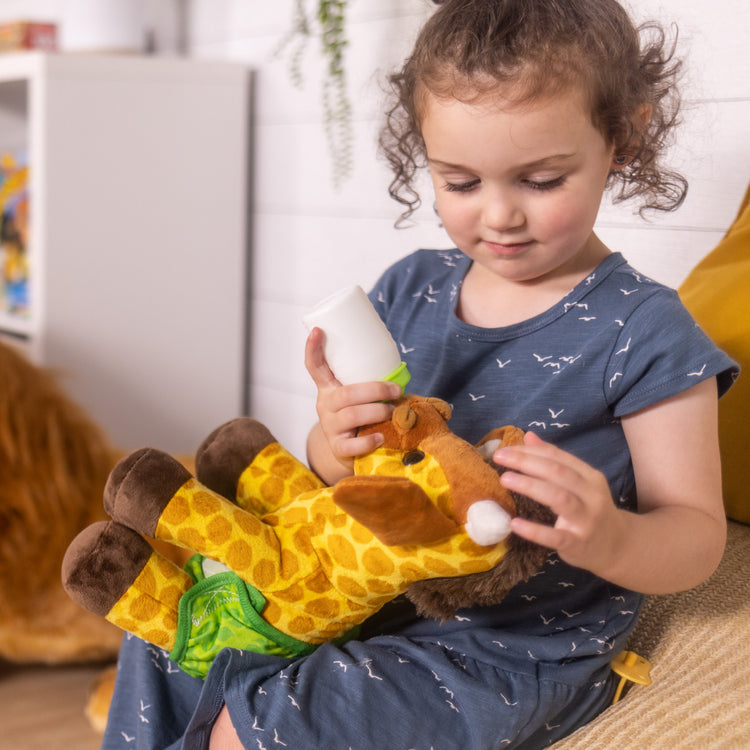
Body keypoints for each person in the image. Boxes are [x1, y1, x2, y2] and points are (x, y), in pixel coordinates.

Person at [101, 1, 738, 748]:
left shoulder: (647, 330)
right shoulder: (412, 288)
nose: (498, 215)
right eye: (461, 182)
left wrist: (608, 537)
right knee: (183, 626)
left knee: (262, 725)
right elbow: (343, 482)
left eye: (540, 179)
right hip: (361, 595)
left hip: (507, 654)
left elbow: (696, 536)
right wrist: (333, 441)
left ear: (622, 138)